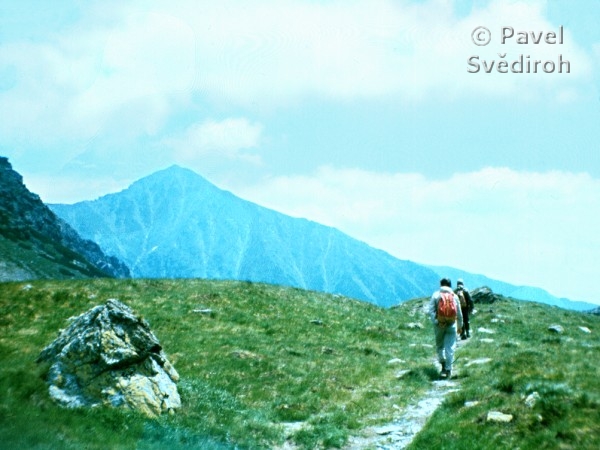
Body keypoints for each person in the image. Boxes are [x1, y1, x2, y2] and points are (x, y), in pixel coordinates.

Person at [429, 278, 463, 378]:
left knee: (440, 346)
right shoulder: (454, 296)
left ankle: (443, 366)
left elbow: (431, 311)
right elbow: (459, 313)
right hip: (452, 324)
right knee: (450, 348)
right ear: (450, 285)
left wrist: (436, 321)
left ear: (441, 284)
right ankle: (449, 370)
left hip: (439, 325)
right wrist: (460, 326)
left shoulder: (436, 295)